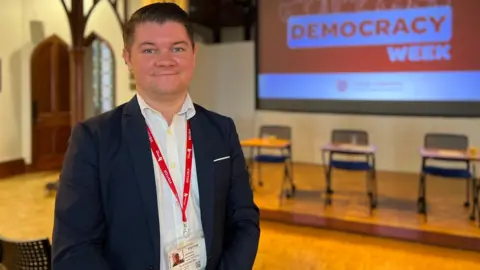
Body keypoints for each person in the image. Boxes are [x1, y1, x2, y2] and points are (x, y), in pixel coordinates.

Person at [51, 3, 260, 270]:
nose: (165, 59)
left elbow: (244, 219)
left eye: (178, 48)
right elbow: (74, 250)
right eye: (149, 50)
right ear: (128, 58)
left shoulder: (222, 130)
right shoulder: (94, 139)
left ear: (194, 54)